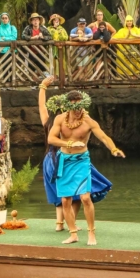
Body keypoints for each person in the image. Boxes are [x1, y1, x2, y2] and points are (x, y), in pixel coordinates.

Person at [47, 90, 125, 245]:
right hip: (65, 161)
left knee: (85, 197)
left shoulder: (89, 121)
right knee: (65, 200)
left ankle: (91, 233)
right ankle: (73, 234)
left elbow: (103, 137)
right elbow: (51, 138)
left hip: (82, 161)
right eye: (75, 107)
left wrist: (113, 149)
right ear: (68, 106)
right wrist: (68, 143)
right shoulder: (60, 119)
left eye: (80, 107)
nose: (78, 111)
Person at [39, 77, 113, 232]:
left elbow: (41, 107)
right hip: (61, 158)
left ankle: (60, 223)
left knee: (62, 193)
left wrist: (43, 87)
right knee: (74, 192)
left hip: (51, 160)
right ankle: (68, 222)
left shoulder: (48, 120)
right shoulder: (57, 121)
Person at [0, 13, 18, 82]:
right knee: (4, 67)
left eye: (6, 18)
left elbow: (14, 38)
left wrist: (4, 38)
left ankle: (12, 82)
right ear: (1, 19)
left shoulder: (12, 27)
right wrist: (8, 39)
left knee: (11, 67)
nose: (4, 19)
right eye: (3, 18)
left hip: (11, 50)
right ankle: (6, 82)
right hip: (1, 51)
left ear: (8, 19)